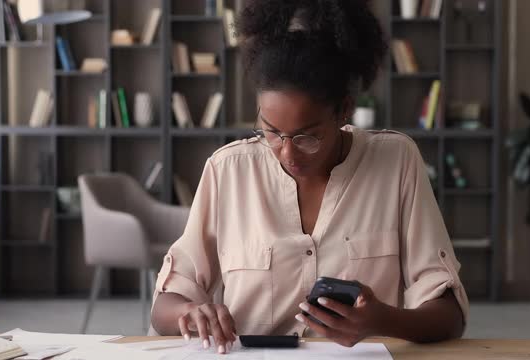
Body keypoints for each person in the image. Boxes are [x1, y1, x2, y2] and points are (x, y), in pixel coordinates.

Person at [151, 0, 468, 354]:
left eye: (307, 136)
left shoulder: (396, 163)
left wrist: (382, 319)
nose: (286, 152)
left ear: (344, 110)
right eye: (270, 132)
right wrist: (191, 311)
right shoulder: (228, 171)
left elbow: (449, 315)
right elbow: (165, 305)